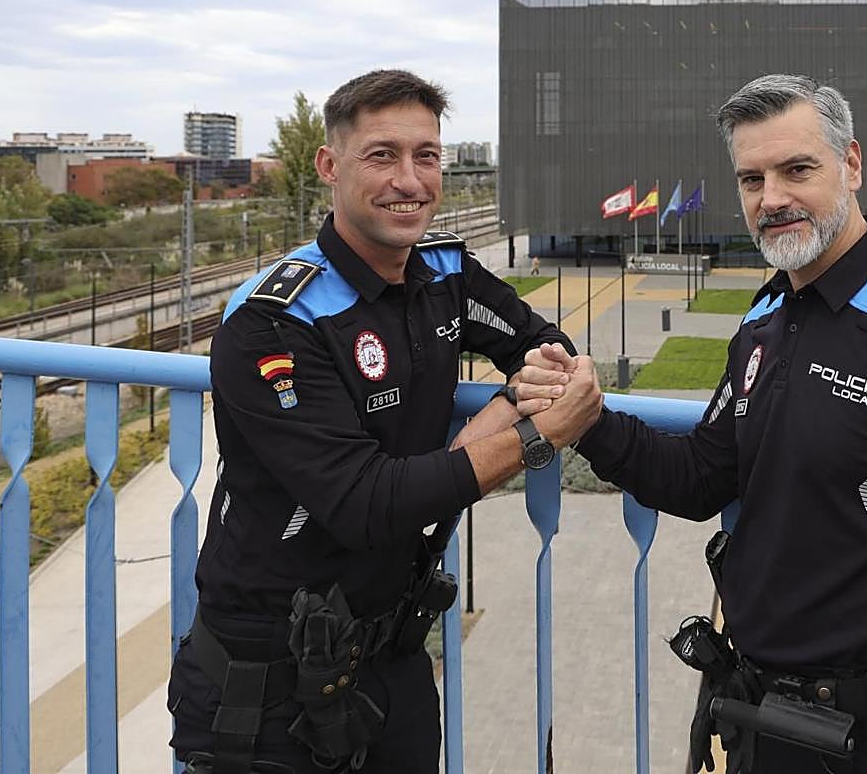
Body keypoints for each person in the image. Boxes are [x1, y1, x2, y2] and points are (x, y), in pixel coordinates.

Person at [519, 75, 867, 773]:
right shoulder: (766, 318)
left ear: (852, 164)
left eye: (797, 169)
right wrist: (585, 418)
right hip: (760, 722)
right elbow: (703, 475)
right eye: (751, 178)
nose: (771, 199)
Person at [167, 68, 601, 774]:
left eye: (426, 156)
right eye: (382, 155)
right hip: (268, 685)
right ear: (330, 166)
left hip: (391, 661)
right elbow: (363, 505)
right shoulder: (274, 321)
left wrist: (499, 409)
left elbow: (544, 345)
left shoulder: (444, 275)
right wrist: (532, 438)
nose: (411, 179)